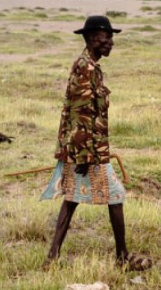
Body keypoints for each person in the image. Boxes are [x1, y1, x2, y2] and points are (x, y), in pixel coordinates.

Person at [42, 15, 150, 271]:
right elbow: (80, 115)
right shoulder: (85, 68)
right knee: (115, 196)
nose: (111, 42)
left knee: (71, 200)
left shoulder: (90, 66)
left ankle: (52, 258)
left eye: (111, 37)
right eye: (106, 37)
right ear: (91, 38)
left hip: (88, 150)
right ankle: (122, 257)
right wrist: (82, 156)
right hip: (87, 152)